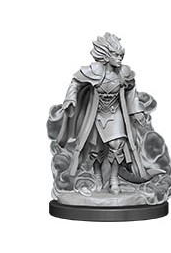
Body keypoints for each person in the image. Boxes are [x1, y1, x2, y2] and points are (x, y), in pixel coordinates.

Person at [47, 33, 147, 194]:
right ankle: (98, 175)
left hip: (115, 113)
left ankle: (114, 179)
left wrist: (136, 110)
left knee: (117, 145)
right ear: (106, 56)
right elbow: (76, 83)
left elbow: (131, 90)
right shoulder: (93, 71)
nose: (120, 58)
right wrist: (70, 99)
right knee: (95, 149)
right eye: (116, 55)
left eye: (121, 55)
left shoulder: (123, 73)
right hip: (96, 114)